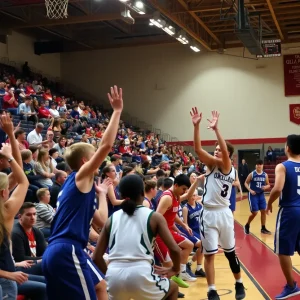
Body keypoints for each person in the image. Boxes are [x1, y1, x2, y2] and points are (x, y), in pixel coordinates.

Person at [42, 86, 123, 300]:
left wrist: (102, 193)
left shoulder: (79, 187)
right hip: (66, 249)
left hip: (61, 250)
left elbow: (102, 220)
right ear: (86, 162)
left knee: (100, 286)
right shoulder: (80, 176)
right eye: (94, 155)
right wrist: (116, 111)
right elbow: (106, 145)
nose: (100, 158)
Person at [93, 174, 180, 300]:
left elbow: (96, 257)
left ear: (121, 196)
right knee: (173, 288)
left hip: (114, 275)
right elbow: (175, 249)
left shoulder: (111, 219)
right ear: (142, 192)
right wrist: (175, 268)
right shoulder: (154, 217)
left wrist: (111, 275)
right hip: (141, 274)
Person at [190, 108, 245, 300]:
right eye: (216, 149)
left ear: (228, 154)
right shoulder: (212, 164)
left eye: (221, 149)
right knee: (210, 254)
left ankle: (239, 283)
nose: (217, 150)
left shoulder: (229, 167)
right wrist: (196, 127)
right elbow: (197, 149)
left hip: (224, 213)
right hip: (208, 214)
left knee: (230, 254)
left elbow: (225, 156)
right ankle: (212, 289)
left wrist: (216, 130)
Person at [0, 114, 30, 299]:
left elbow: (19, 174)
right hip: (6, 277)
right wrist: (11, 135)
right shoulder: (7, 210)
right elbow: (22, 180)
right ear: (4, 192)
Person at [267, 134, 300, 300]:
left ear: (287, 147)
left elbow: (278, 188)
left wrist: (269, 202)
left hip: (290, 210)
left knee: (282, 251)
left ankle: (292, 286)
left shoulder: (283, 166)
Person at [244, 159, 271, 235]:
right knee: (254, 212)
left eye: (260, 164)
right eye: (257, 164)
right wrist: (250, 190)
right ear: (255, 165)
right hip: (253, 195)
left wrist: (266, 187)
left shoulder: (265, 175)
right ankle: (247, 225)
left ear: (262, 165)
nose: (259, 166)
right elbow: (246, 183)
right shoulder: (252, 174)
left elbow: (268, 184)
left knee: (263, 211)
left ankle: (263, 228)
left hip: (261, 195)